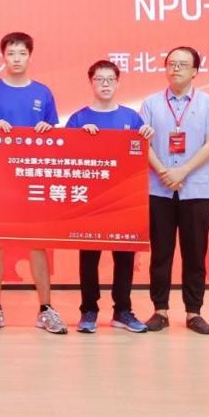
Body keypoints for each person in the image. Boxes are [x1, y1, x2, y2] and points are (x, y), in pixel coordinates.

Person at [0, 32, 66, 334]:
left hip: (33, 179)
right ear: (3, 57)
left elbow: (57, 139)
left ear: (30, 57)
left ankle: (45, 308)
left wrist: (48, 131)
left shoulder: (43, 93)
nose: (16, 58)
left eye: (22, 53)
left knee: (38, 244)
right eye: (11, 53)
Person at [140, 46, 209, 335]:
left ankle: (193, 312)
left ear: (195, 71)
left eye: (182, 64)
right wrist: (164, 172)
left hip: (196, 190)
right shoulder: (151, 103)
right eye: (171, 63)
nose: (175, 68)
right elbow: (142, 144)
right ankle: (159, 311)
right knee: (160, 253)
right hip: (159, 190)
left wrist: (182, 171)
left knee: (195, 253)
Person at [65, 60, 153, 334]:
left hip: (124, 200)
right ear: (90, 83)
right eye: (99, 79)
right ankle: (88, 310)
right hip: (90, 200)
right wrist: (79, 138)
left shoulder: (132, 118)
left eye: (110, 79)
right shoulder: (78, 119)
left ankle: (122, 311)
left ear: (118, 83)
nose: (104, 84)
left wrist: (146, 136)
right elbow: (65, 158)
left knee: (124, 257)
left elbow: (141, 154)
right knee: (89, 258)